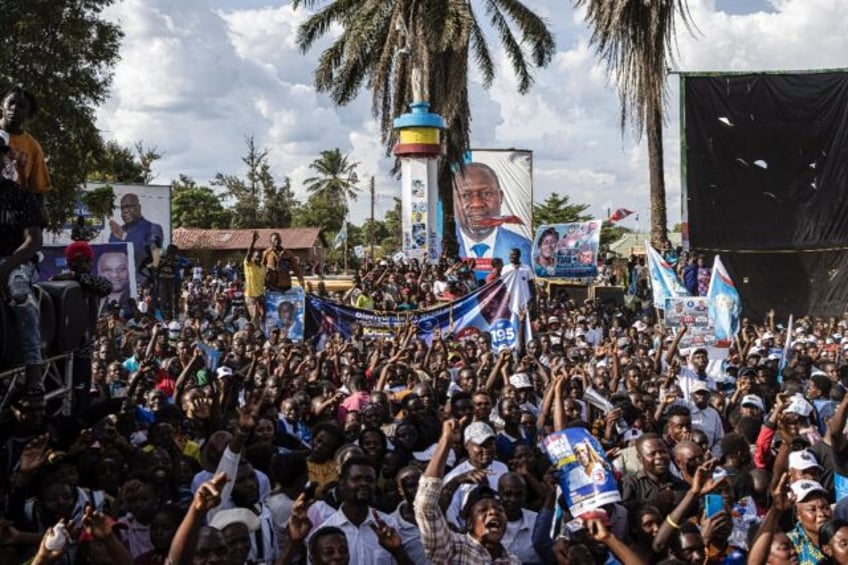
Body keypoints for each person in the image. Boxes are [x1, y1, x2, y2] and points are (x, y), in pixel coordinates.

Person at [0, 139, 45, 396]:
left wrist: (5, 267)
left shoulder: (21, 196)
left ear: (4, 158)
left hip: (17, 261)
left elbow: (33, 241)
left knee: (21, 296)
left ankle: (34, 368)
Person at [453, 162, 530, 261]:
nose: (477, 203)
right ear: (452, 200)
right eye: (465, 195)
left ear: (500, 197)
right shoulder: (434, 249)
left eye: (486, 193)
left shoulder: (526, 248)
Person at [0, 85, 51, 195]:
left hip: (12, 207)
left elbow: (38, 190)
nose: (14, 108)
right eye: (11, 103)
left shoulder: (33, 148)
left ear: (29, 113)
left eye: (21, 106)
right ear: (2, 105)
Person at [108, 192, 164, 281]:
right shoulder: (115, 233)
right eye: (123, 208)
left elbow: (154, 254)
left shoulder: (152, 228)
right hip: (119, 282)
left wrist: (124, 238)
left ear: (138, 208)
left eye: (129, 206)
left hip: (142, 282)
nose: (125, 211)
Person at [96, 250, 131, 316]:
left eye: (121, 269)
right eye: (107, 270)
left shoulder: (134, 302)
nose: (115, 275)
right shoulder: (93, 302)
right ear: (99, 273)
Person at [244, 230, 266, 326]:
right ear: (253, 257)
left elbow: (264, 281)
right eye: (257, 257)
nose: (258, 258)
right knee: (255, 317)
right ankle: (255, 337)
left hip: (260, 296)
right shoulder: (248, 264)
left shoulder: (262, 267)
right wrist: (253, 242)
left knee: (263, 316)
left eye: (260, 257)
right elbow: (248, 254)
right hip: (251, 297)